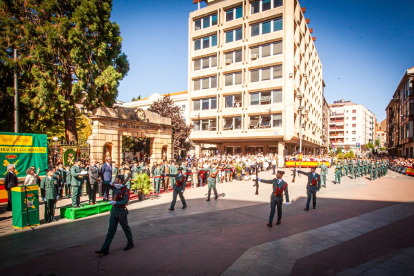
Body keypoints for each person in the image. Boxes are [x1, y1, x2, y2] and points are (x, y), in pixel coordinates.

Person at [95, 175, 134, 255]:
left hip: (121, 211)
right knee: (111, 231)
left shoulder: (124, 189)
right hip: (114, 211)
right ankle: (105, 249)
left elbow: (125, 201)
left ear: (120, 180)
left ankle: (130, 243)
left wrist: (116, 202)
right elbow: (105, 183)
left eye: (116, 179)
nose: (114, 180)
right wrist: (112, 184)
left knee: (125, 228)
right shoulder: (116, 187)